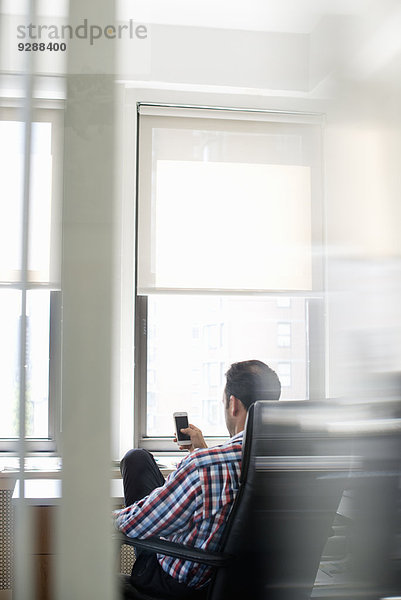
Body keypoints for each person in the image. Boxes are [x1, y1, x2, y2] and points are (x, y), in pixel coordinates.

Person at [114, 359, 281, 599]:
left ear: (233, 404)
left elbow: (136, 525)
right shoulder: (288, 460)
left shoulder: (204, 466)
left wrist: (107, 520)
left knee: (135, 459)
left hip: (180, 583)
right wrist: (202, 450)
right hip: (245, 583)